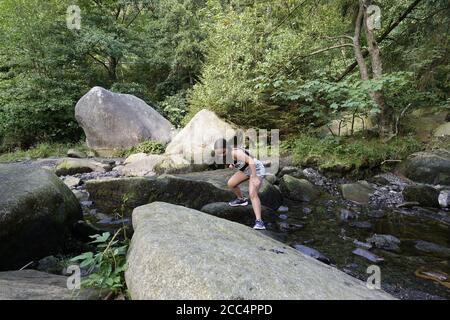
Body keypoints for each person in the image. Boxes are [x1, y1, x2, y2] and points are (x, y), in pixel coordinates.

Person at [213, 138, 266, 230]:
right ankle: (241, 200)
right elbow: (236, 161)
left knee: (252, 194)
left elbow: (251, 161)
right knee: (231, 183)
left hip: (256, 168)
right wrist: (232, 164)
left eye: (223, 152)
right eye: (219, 153)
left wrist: (254, 177)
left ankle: (259, 222)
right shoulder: (228, 153)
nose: (221, 155)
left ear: (227, 148)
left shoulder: (235, 152)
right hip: (246, 170)